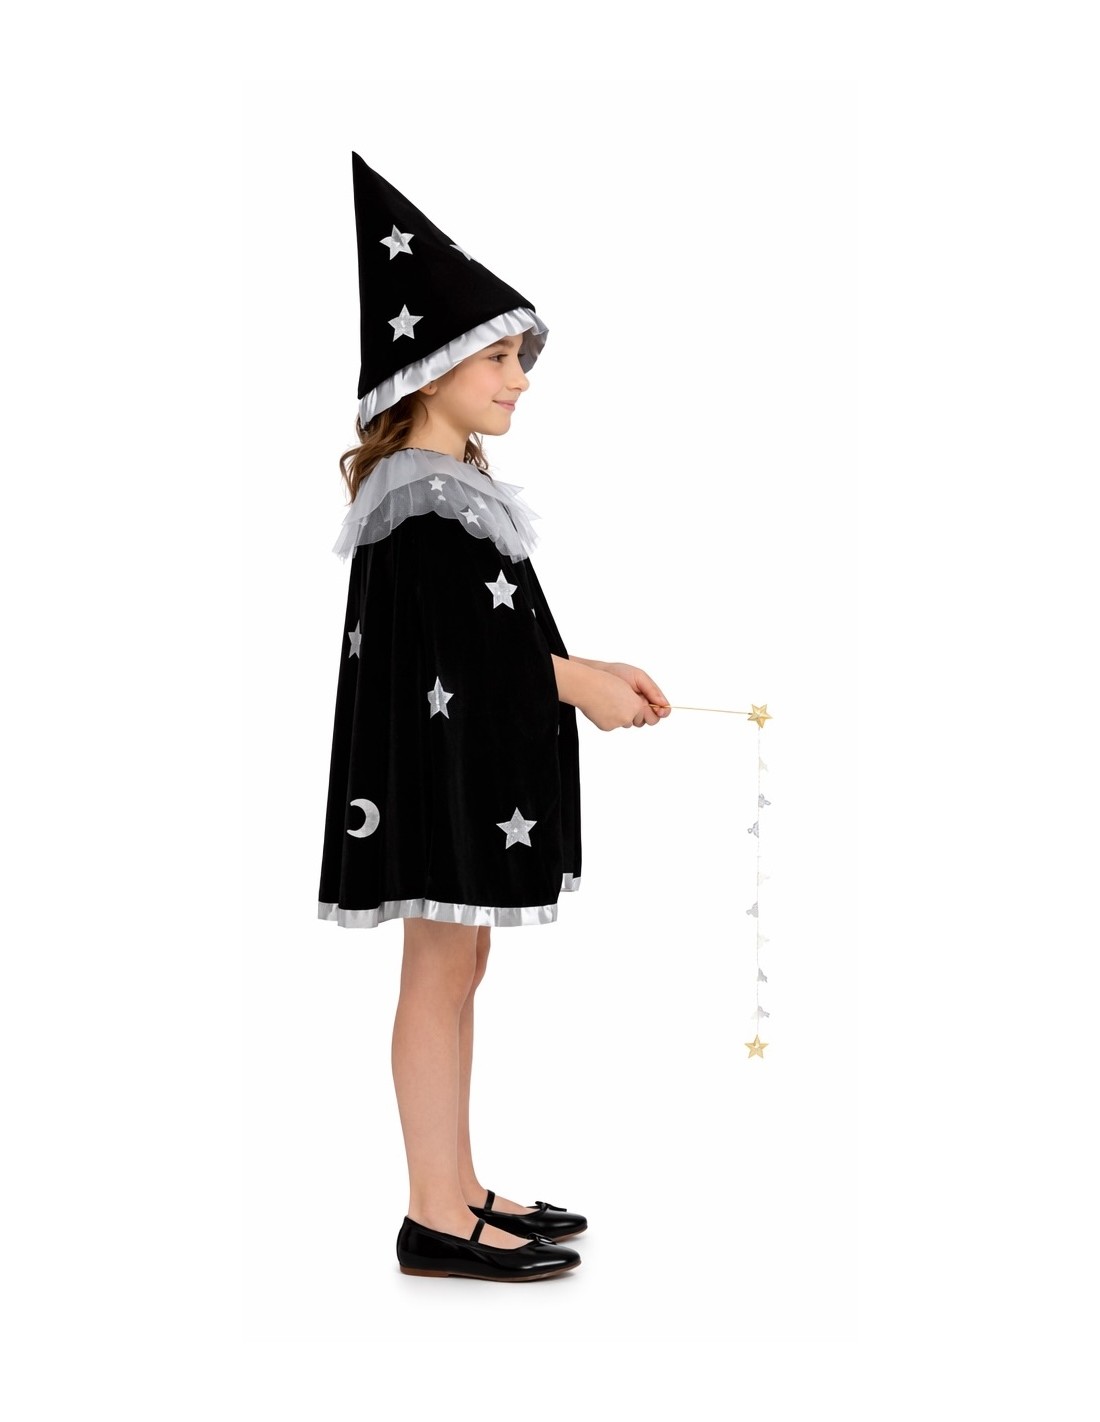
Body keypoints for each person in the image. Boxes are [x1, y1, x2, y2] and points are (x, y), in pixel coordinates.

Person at [317, 155, 671, 1282]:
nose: (520, 379)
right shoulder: (419, 498)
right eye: (500, 357)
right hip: (437, 771)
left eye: (521, 357)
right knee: (436, 973)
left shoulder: (448, 486)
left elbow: (487, 635)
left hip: (455, 764)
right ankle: (433, 1211)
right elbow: (468, 657)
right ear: (429, 368)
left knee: (460, 968)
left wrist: (588, 664)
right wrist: (580, 688)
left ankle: (459, 1184)